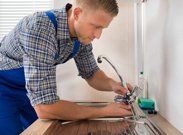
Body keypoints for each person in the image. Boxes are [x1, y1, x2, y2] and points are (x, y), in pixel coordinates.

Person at [0, 0, 133, 134]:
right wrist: (104, 111)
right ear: (76, 14)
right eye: (95, 26)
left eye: (102, 28)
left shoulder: (81, 37)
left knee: (40, 131)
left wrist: (113, 85)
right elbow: (45, 107)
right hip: (3, 87)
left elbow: (91, 73)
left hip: (29, 90)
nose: (98, 35)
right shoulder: (40, 28)